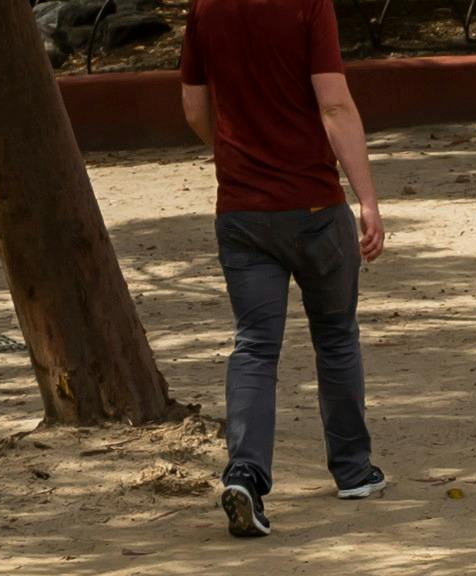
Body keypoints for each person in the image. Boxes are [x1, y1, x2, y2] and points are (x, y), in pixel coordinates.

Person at [176, 0, 384, 538]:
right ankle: (354, 471)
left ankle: (245, 474)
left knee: (254, 346)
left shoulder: (205, 9)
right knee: (335, 335)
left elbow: (195, 107)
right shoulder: (309, 4)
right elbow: (335, 106)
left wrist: (236, 158)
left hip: (243, 211)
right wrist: (367, 200)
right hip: (314, 208)